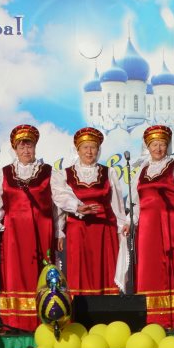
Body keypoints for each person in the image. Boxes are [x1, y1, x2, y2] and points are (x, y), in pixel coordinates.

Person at [0, 124, 58, 330]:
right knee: (14, 274)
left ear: (35, 148)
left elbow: (58, 203)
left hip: (41, 231)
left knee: (41, 273)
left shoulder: (48, 172)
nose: (26, 151)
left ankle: (43, 318)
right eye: (21, 147)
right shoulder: (4, 173)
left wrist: (60, 230)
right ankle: (14, 321)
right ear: (15, 149)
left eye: (29, 146)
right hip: (14, 233)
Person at [130, 125, 174, 328]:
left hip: (168, 226)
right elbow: (136, 201)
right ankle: (150, 316)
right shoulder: (141, 169)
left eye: (162, 144)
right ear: (148, 147)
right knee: (148, 271)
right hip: (147, 230)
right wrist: (131, 222)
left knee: (170, 269)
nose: (158, 148)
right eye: (154, 144)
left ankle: (173, 317)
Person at [52, 127, 129, 296]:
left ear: (98, 150)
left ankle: (107, 312)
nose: (89, 151)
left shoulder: (109, 172)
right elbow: (60, 200)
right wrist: (62, 228)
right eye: (85, 147)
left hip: (104, 231)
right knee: (80, 272)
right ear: (78, 150)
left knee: (104, 271)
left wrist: (122, 226)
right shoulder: (65, 174)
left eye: (93, 147)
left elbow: (116, 203)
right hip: (78, 230)